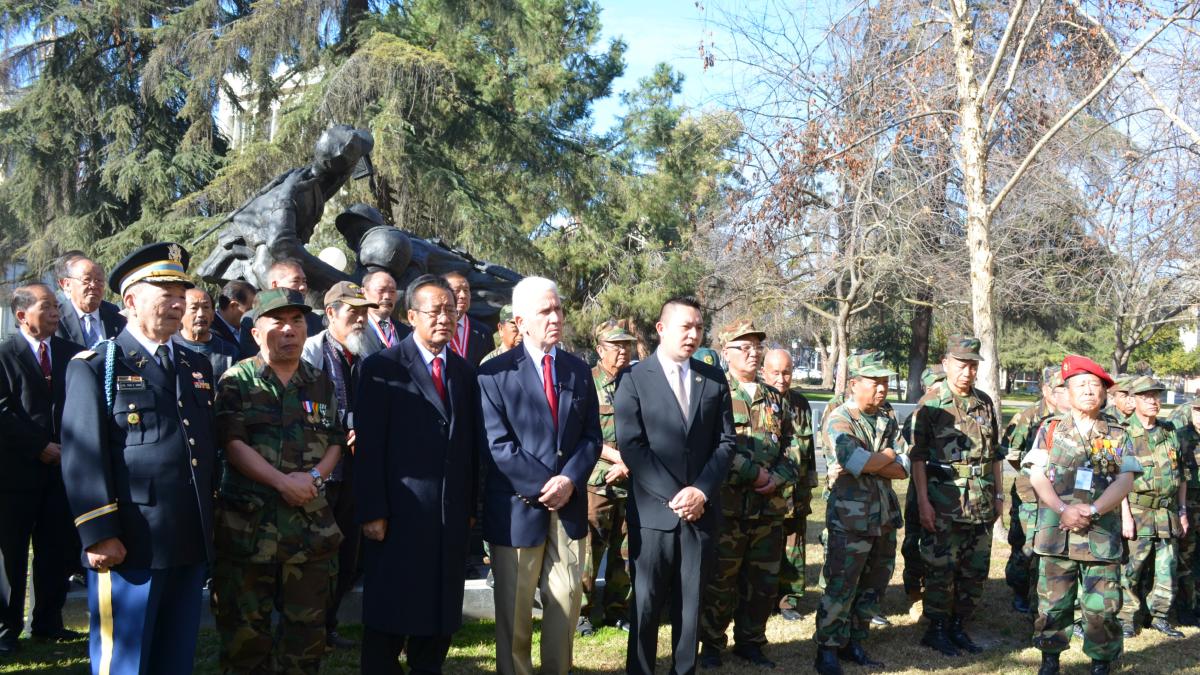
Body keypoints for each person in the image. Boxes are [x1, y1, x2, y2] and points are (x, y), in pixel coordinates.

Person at [60, 242, 217, 674]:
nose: (178, 302)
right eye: (165, 292)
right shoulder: (97, 366)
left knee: (175, 658)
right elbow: (82, 455)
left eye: (181, 293)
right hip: (130, 543)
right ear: (130, 301)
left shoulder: (193, 364)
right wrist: (98, 534)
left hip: (186, 537)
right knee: (124, 662)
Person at [211, 288, 344, 674]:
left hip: (309, 531)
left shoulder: (320, 382)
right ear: (256, 331)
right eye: (278, 321)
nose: (289, 329)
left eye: (297, 321)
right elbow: (232, 444)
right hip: (249, 531)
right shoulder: (237, 380)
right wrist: (282, 482)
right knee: (245, 642)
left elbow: (336, 440)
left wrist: (315, 478)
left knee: (306, 642)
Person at [354, 275, 480, 673]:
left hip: (449, 518)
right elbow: (369, 448)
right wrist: (373, 510)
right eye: (435, 311)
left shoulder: (463, 372)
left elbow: (473, 446)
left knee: (438, 615)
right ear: (411, 316)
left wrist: (471, 507)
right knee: (390, 616)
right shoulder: (382, 368)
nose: (445, 318)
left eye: (451, 311)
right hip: (398, 516)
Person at [477, 276, 601, 675]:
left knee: (565, 603)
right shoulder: (493, 374)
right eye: (545, 311)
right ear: (521, 321)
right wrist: (545, 484)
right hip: (516, 509)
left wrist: (568, 481)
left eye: (558, 309)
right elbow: (498, 445)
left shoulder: (578, 370)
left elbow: (591, 437)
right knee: (514, 615)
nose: (556, 317)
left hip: (567, 508)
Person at [614, 297, 736, 675]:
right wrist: (675, 496)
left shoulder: (712, 379)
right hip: (653, 516)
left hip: (700, 513)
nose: (693, 334)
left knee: (690, 607)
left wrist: (700, 490)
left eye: (699, 327)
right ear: (661, 328)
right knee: (647, 606)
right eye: (686, 326)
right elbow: (632, 446)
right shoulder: (634, 379)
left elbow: (726, 442)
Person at [1023, 355, 1141, 675]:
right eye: (1080, 385)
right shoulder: (1048, 429)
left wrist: (1091, 509)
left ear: (1104, 392)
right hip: (1056, 532)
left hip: (1099, 533)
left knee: (1102, 608)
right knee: (1053, 604)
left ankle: (1101, 664)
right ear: (1067, 391)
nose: (1089, 391)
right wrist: (1063, 509)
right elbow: (1036, 476)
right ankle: (1050, 661)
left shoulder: (1117, 433)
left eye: (1095, 385)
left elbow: (1125, 480)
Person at [696, 321, 801, 669]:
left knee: (763, 582)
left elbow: (793, 447)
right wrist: (753, 473)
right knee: (720, 581)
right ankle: (711, 644)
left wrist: (777, 479)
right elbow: (710, 447)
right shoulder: (714, 392)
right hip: (726, 508)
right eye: (745, 347)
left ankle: (751, 641)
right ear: (727, 352)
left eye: (757, 346)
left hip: (768, 509)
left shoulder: (774, 399)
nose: (753, 352)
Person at [813, 351, 910, 675]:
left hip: (883, 518)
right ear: (854, 384)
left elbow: (903, 468)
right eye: (875, 382)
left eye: (885, 382)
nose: (882, 389)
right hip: (850, 521)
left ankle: (855, 640)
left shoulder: (887, 417)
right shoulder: (839, 420)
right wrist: (886, 454)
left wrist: (876, 462)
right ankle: (827, 649)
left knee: (873, 585)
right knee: (841, 586)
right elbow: (858, 463)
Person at [0, 283, 84, 653]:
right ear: (22, 315)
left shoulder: (73, 354)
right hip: (16, 473)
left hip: (63, 470)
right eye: (47, 306)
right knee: (11, 553)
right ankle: (6, 629)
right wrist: (39, 446)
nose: (57, 313)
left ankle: (48, 622)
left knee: (57, 548)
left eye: (57, 307)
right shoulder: (5, 354)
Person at [910, 336, 1001, 656]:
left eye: (973, 365)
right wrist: (923, 502)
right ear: (947, 364)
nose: (967, 371)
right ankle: (936, 628)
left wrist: (1000, 495)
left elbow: (996, 455)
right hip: (945, 499)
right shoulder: (932, 404)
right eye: (962, 364)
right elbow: (917, 457)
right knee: (941, 567)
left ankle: (958, 625)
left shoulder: (985, 402)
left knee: (973, 569)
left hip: (981, 500)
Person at [300, 280, 377, 649]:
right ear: (330, 314)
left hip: (357, 473)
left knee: (349, 555)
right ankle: (309, 631)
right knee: (316, 555)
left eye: (364, 312)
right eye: (353, 313)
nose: (360, 320)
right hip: (319, 472)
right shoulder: (311, 352)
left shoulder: (369, 350)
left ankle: (328, 626)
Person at [578, 320, 638, 637]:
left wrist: (628, 462)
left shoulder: (637, 382)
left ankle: (618, 610)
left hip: (632, 480)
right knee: (589, 551)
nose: (623, 351)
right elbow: (580, 431)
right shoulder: (587, 383)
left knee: (625, 552)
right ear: (600, 349)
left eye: (627, 345)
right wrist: (615, 457)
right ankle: (582, 613)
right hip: (597, 480)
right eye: (616, 345)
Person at [1117, 377, 1186, 638]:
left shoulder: (1169, 431)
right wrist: (1124, 514)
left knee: (1166, 569)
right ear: (1133, 401)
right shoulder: (1124, 433)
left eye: (1156, 396)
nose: (1153, 401)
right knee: (1132, 568)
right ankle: (1127, 617)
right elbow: (1117, 478)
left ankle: (1160, 616)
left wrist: (1182, 511)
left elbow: (1179, 474)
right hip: (1137, 511)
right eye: (1147, 396)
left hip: (1167, 513)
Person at [759, 349, 817, 623]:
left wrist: (810, 483)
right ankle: (763, 597)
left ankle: (788, 600)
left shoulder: (800, 403)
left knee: (794, 546)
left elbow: (808, 450)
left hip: (796, 491)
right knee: (765, 548)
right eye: (776, 372)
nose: (782, 379)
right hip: (767, 492)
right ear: (764, 372)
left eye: (787, 372)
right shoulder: (759, 402)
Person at [1002, 366, 1063, 615]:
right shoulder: (1028, 416)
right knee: (1025, 544)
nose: (1065, 393)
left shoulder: (1072, 417)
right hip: (1029, 493)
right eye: (1060, 388)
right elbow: (1011, 453)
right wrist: (1032, 472)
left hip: (1059, 493)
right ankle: (1019, 590)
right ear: (1046, 389)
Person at [899, 364, 943, 619]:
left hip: (944, 489)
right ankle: (914, 590)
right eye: (936, 384)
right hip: (920, 486)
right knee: (914, 540)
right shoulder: (920, 412)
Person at [237, 260, 326, 357]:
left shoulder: (317, 320)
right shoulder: (251, 319)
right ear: (275, 285)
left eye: (304, 281)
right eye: (295, 281)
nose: (302, 287)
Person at [54, 253, 126, 348]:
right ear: (67, 284)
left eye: (99, 280)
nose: (93, 285)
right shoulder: (57, 318)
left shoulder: (114, 313)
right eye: (86, 279)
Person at [1171, 400, 1200, 626]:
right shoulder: (1179, 436)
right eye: (1198, 410)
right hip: (1189, 505)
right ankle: (1185, 608)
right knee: (1185, 557)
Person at [174, 288, 239, 381]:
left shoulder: (229, 352)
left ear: (213, 315)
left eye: (206, 307)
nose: (201, 314)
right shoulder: (168, 347)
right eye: (194, 308)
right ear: (180, 313)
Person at [444, 271, 493, 367]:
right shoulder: (431, 328)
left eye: (466, 290)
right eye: (457, 290)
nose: (463, 295)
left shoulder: (483, 332)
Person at [361, 269, 409, 354]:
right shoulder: (355, 328)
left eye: (392, 291)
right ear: (363, 293)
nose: (387, 296)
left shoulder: (407, 333)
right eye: (381, 290)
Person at [212, 280, 256, 349]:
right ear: (233, 306)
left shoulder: (249, 327)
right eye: (249, 310)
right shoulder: (212, 332)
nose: (253, 315)